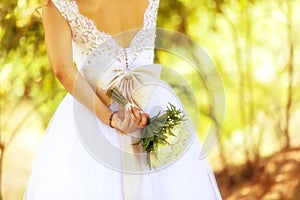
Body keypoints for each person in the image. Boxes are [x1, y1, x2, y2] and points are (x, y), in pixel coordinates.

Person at [24, 0, 223, 199]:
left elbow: (63, 71)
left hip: (95, 110)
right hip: (152, 102)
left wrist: (111, 118)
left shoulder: (58, 4)